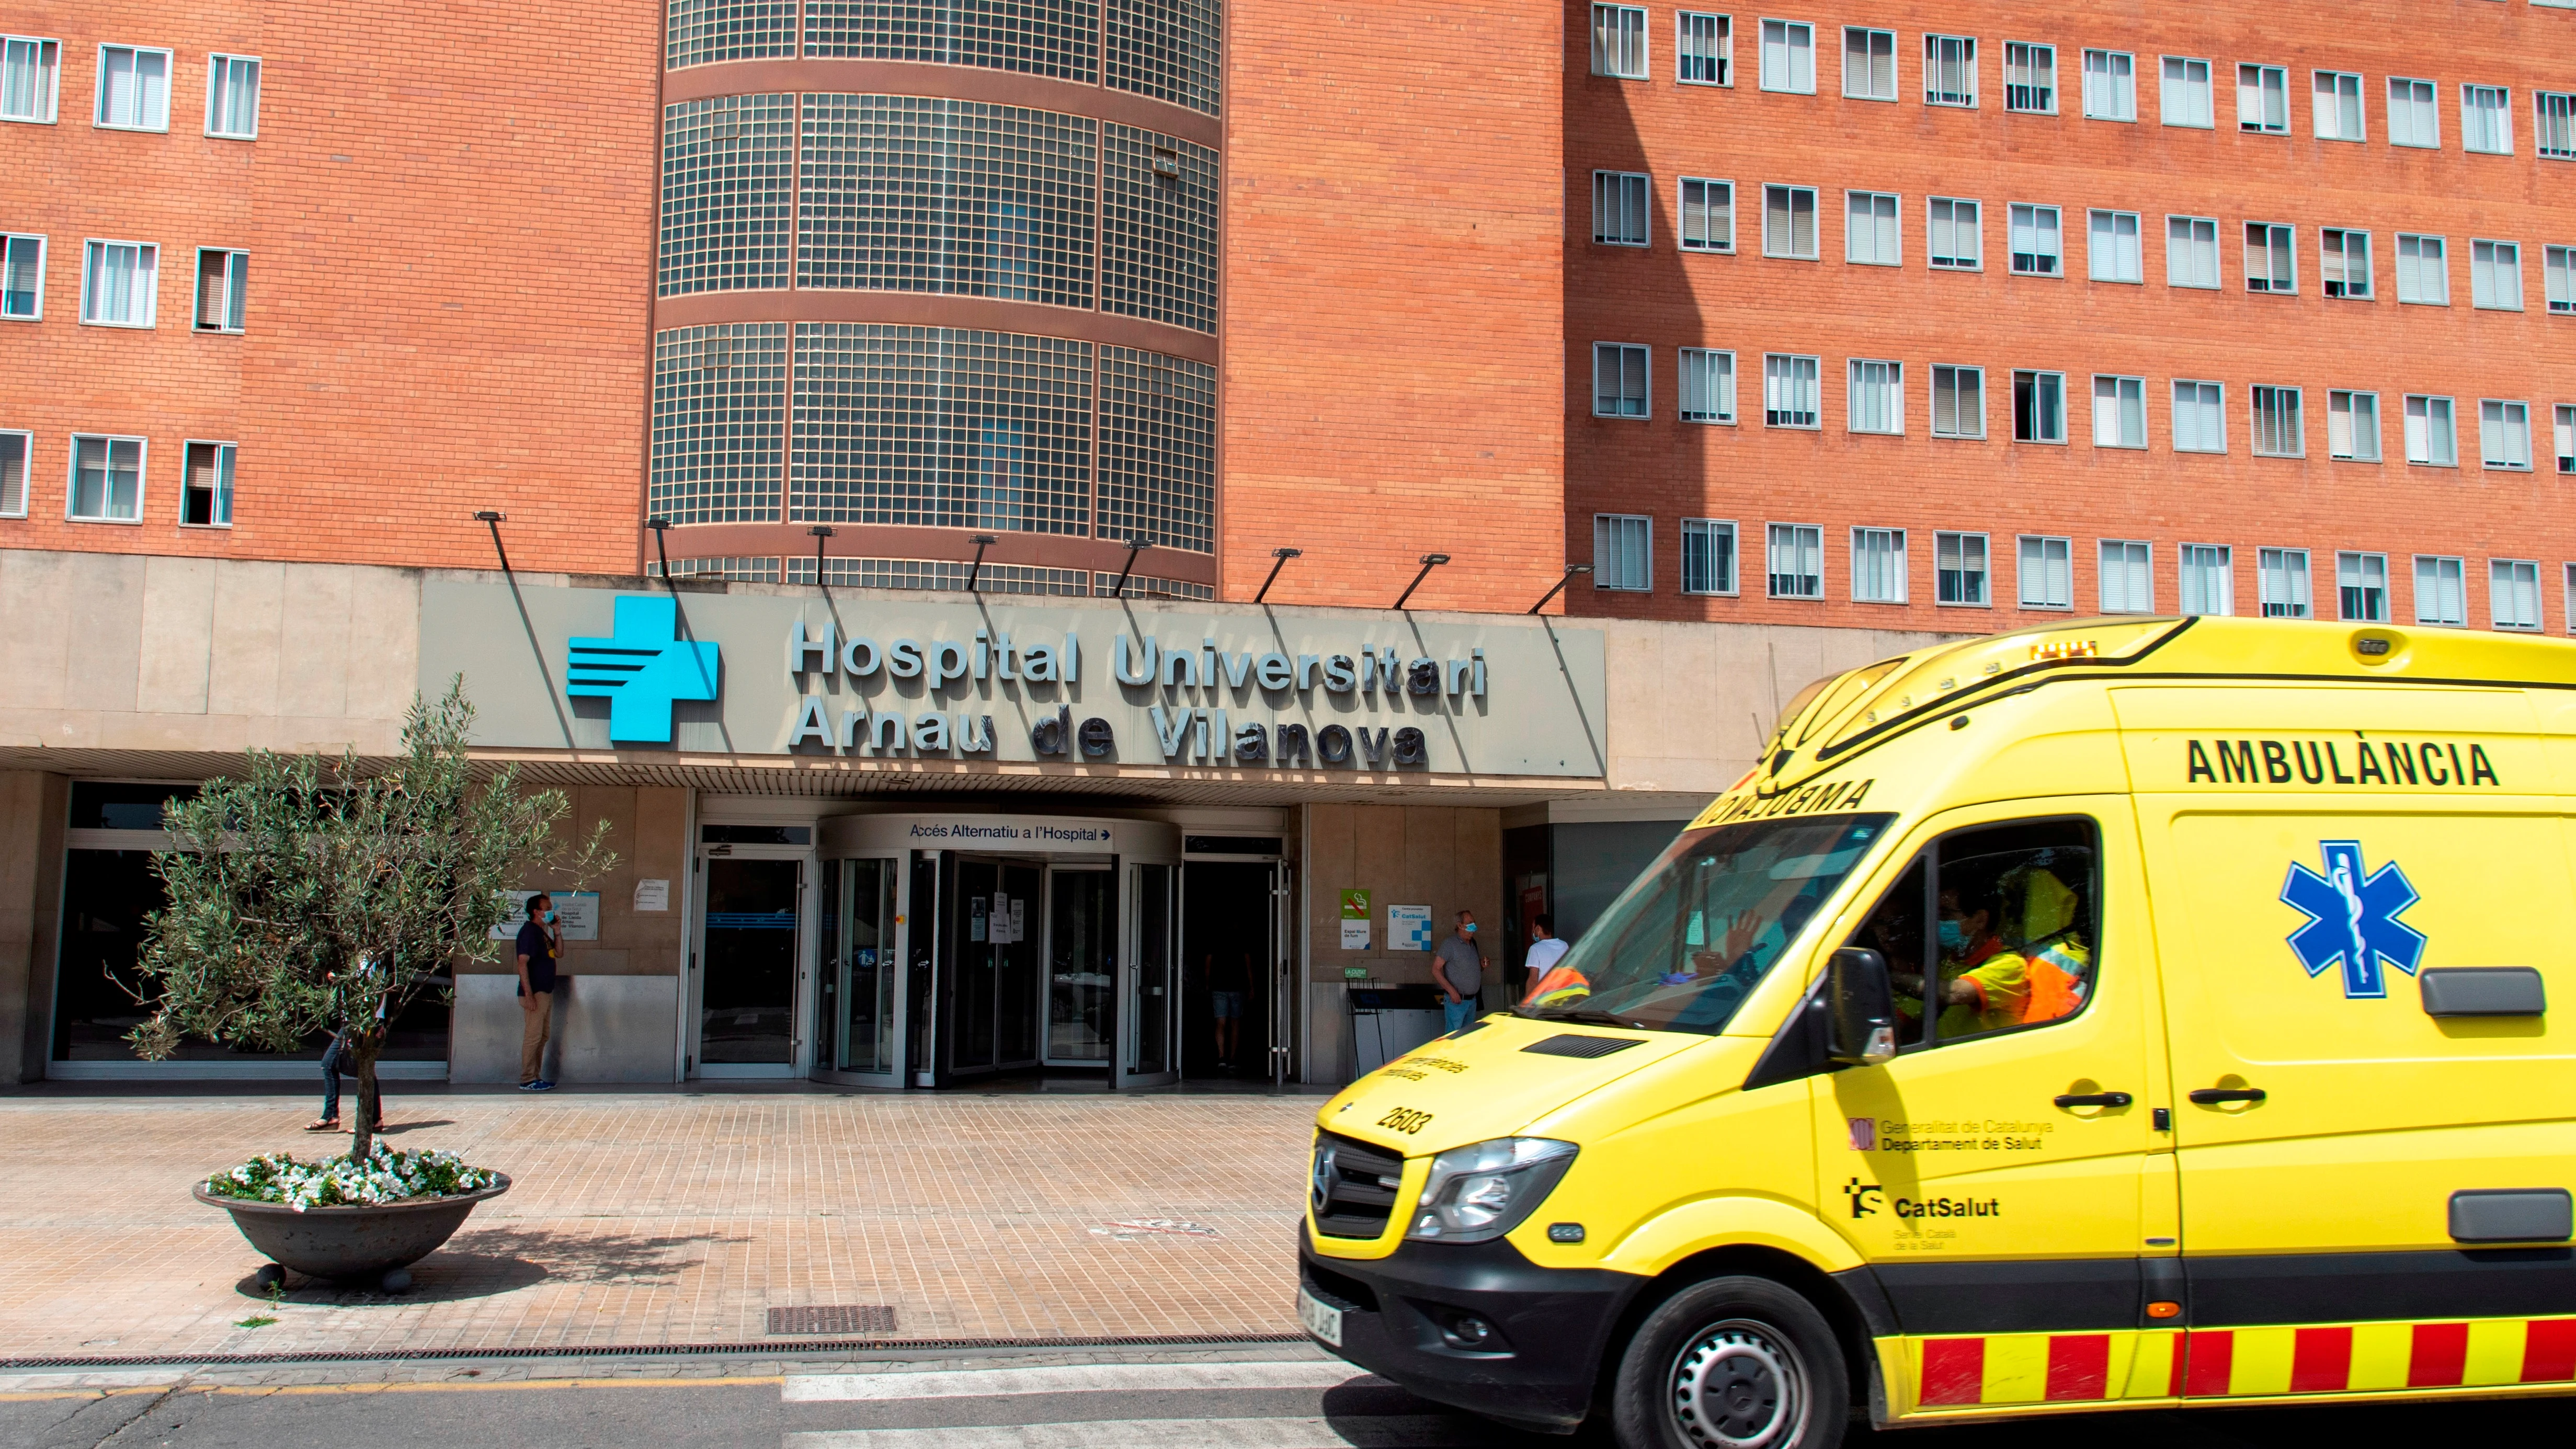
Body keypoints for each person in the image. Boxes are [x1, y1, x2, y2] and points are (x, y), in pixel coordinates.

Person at [307, 954, 387, 1133]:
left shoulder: (370, 959)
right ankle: (337, 1116)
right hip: (353, 1021)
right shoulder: (355, 958)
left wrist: (363, 1026)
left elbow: (372, 993)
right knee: (333, 1065)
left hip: (363, 1021)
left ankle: (368, 1119)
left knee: (360, 1069)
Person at [517, 893, 562, 1091]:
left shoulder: (542, 933)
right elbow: (522, 963)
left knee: (543, 1036)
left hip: (546, 991)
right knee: (533, 1036)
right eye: (547, 908)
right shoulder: (529, 932)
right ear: (536, 912)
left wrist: (557, 932)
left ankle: (536, 1076)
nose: (551, 911)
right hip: (535, 993)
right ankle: (527, 1078)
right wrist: (529, 994)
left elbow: (559, 953)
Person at [1430, 910, 1488, 1033]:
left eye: (1474, 922)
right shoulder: (1450, 944)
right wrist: (1452, 992)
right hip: (1456, 1002)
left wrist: (1481, 966)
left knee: (1467, 1039)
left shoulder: (1473, 944)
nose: (1474, 926)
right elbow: (1436, 969)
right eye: (1470, 923)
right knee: (1454, 1037)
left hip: (1472, 1001)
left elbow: (1469, 969)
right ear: (1460, 925)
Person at [1520, 915, 1588, 1006]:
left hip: (1545, 999)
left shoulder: (1535, 948)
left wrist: (1527, 1003)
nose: (1533, 932)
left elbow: (1533, 979)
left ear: (1538, 929)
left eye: (1533, 928)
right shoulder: (1564, 945)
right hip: (1563, 997)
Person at [1207, 950, 1248, 1069]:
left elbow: (1208, 962)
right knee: (1235, 1023)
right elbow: (1248, 962)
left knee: (1221, 1022)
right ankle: (1232, 1059)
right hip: (1237, 986)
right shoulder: (1240, 937)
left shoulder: (1215, 938)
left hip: (1219, 986)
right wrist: (1251, 986)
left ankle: (1222, 1057)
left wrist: (1207, 983)